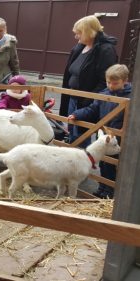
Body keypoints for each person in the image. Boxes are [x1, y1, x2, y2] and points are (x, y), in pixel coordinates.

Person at [68, 64, 130, 199]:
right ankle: (102, 186)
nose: (111, 86)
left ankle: (110, 190)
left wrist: (125, 130)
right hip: (103, 135)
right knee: (102, 162)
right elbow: (92, 109)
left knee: (112, 163)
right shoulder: (103, 95)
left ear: (125, 81)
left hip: (117, 138)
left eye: (115, 83)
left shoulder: (131, 97)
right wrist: (77, 114)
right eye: (108, 82)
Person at [61, 15, 118, 147]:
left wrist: (89, 100)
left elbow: (105, 80)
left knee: (82, 134)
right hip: (73, 97)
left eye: (79, 33)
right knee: (72, 132)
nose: (76, 37)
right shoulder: (80, 47)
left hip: (87, 101)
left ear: (88, 32)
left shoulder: (105, 50)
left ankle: (83, 162)